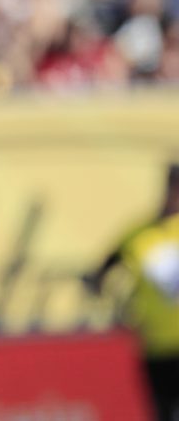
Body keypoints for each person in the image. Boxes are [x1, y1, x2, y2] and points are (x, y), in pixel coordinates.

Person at [86, 163, 179, 421]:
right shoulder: (138, 234)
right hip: (155, 344)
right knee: (162, 411)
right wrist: (115, 304)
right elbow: (101, 272)